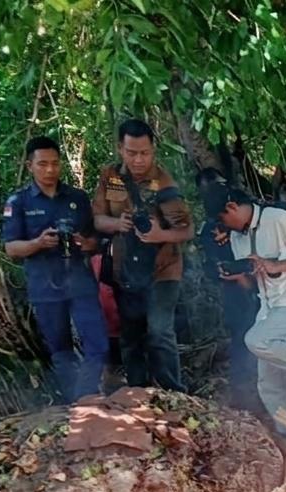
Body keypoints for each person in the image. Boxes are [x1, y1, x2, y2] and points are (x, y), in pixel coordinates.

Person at [206, 185, 286, 433]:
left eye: (223, 218)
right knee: (267, 382)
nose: (224, 225)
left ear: (231, 207)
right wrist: (236, 275)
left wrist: (275, 265)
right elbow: (252, 284)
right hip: (268, 306)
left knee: (256, 340)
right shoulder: (238, 238)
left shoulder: (277, 219)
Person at [2, 136, 108, 402]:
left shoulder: (77, 198)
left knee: (97, 343)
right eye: (42, 164)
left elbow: (96, 240)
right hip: (44, 285)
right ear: (30, 166)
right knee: (61, 349)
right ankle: (72, 402)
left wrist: (86, 243)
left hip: (79, 282)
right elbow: (11, 248)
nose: (50, 170)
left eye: (55, 164)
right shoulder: (19, 202)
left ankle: (87, 395)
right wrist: (38, 243)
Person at [92, 119, 193, 392]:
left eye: (145, 153)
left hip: (163, 269)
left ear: (153, 150)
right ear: (120, 149)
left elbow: (187, 230)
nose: (139, 160)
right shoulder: (111, 176)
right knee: (131, 336)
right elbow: (98, 218)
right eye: (132, 152)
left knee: (160, 331)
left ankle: (174, 393)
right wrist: (117, 225)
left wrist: (161, 235)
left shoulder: (164, 182)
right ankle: (137, 393)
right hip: (126, 270)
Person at [196, 168, 260, 410]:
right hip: (237, 293)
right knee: (242, 341)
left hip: (267, 285)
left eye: (218, 186)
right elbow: (211, 267)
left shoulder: (246, 210)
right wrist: (230, 274)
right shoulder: (210, 229)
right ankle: (244, 399)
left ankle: (266, 395)